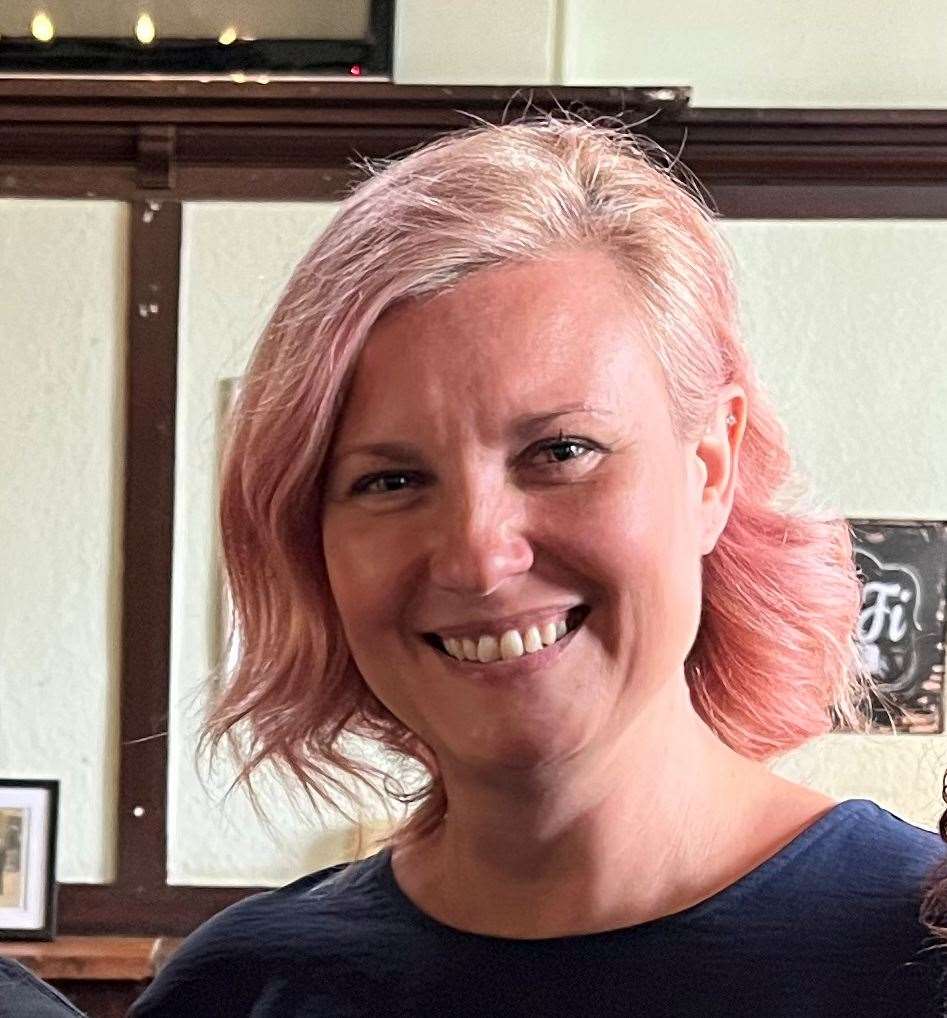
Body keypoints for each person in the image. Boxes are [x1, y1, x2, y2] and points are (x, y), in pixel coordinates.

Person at [130, 116, 946, 1017]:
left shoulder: (917, 958)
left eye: (561, 451)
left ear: (709, 467)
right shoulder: (239, 990)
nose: (479, 556)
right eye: (390, 479)